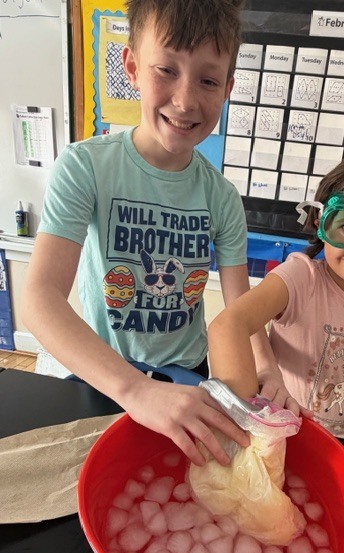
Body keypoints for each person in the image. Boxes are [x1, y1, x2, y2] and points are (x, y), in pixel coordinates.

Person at [20, 0, 287, 467]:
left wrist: (266, 368)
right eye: (166, 70)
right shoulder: (86, 166)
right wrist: (135, 389)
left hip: (189, 378)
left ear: (227, 88)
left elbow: (240, 308)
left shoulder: (222, 197)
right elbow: (39, 298)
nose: (185, 101)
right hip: (106, 378)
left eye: (207, 80)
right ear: (133, 68)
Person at [208, 149, 344, 454]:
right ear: (321, 223)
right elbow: (228, 325)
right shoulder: (302, 278)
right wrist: (249, 423)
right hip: (287, 437)